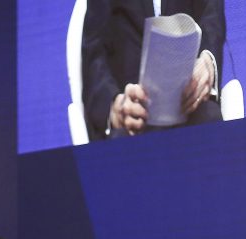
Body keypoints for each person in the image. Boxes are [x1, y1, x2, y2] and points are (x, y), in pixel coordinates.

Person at [82, 0, 225, 140]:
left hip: (190, 102)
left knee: (211, 123)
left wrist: (208, 63)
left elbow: (211, 15)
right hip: (131, 111)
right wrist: (114, 107)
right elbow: (94, 49)